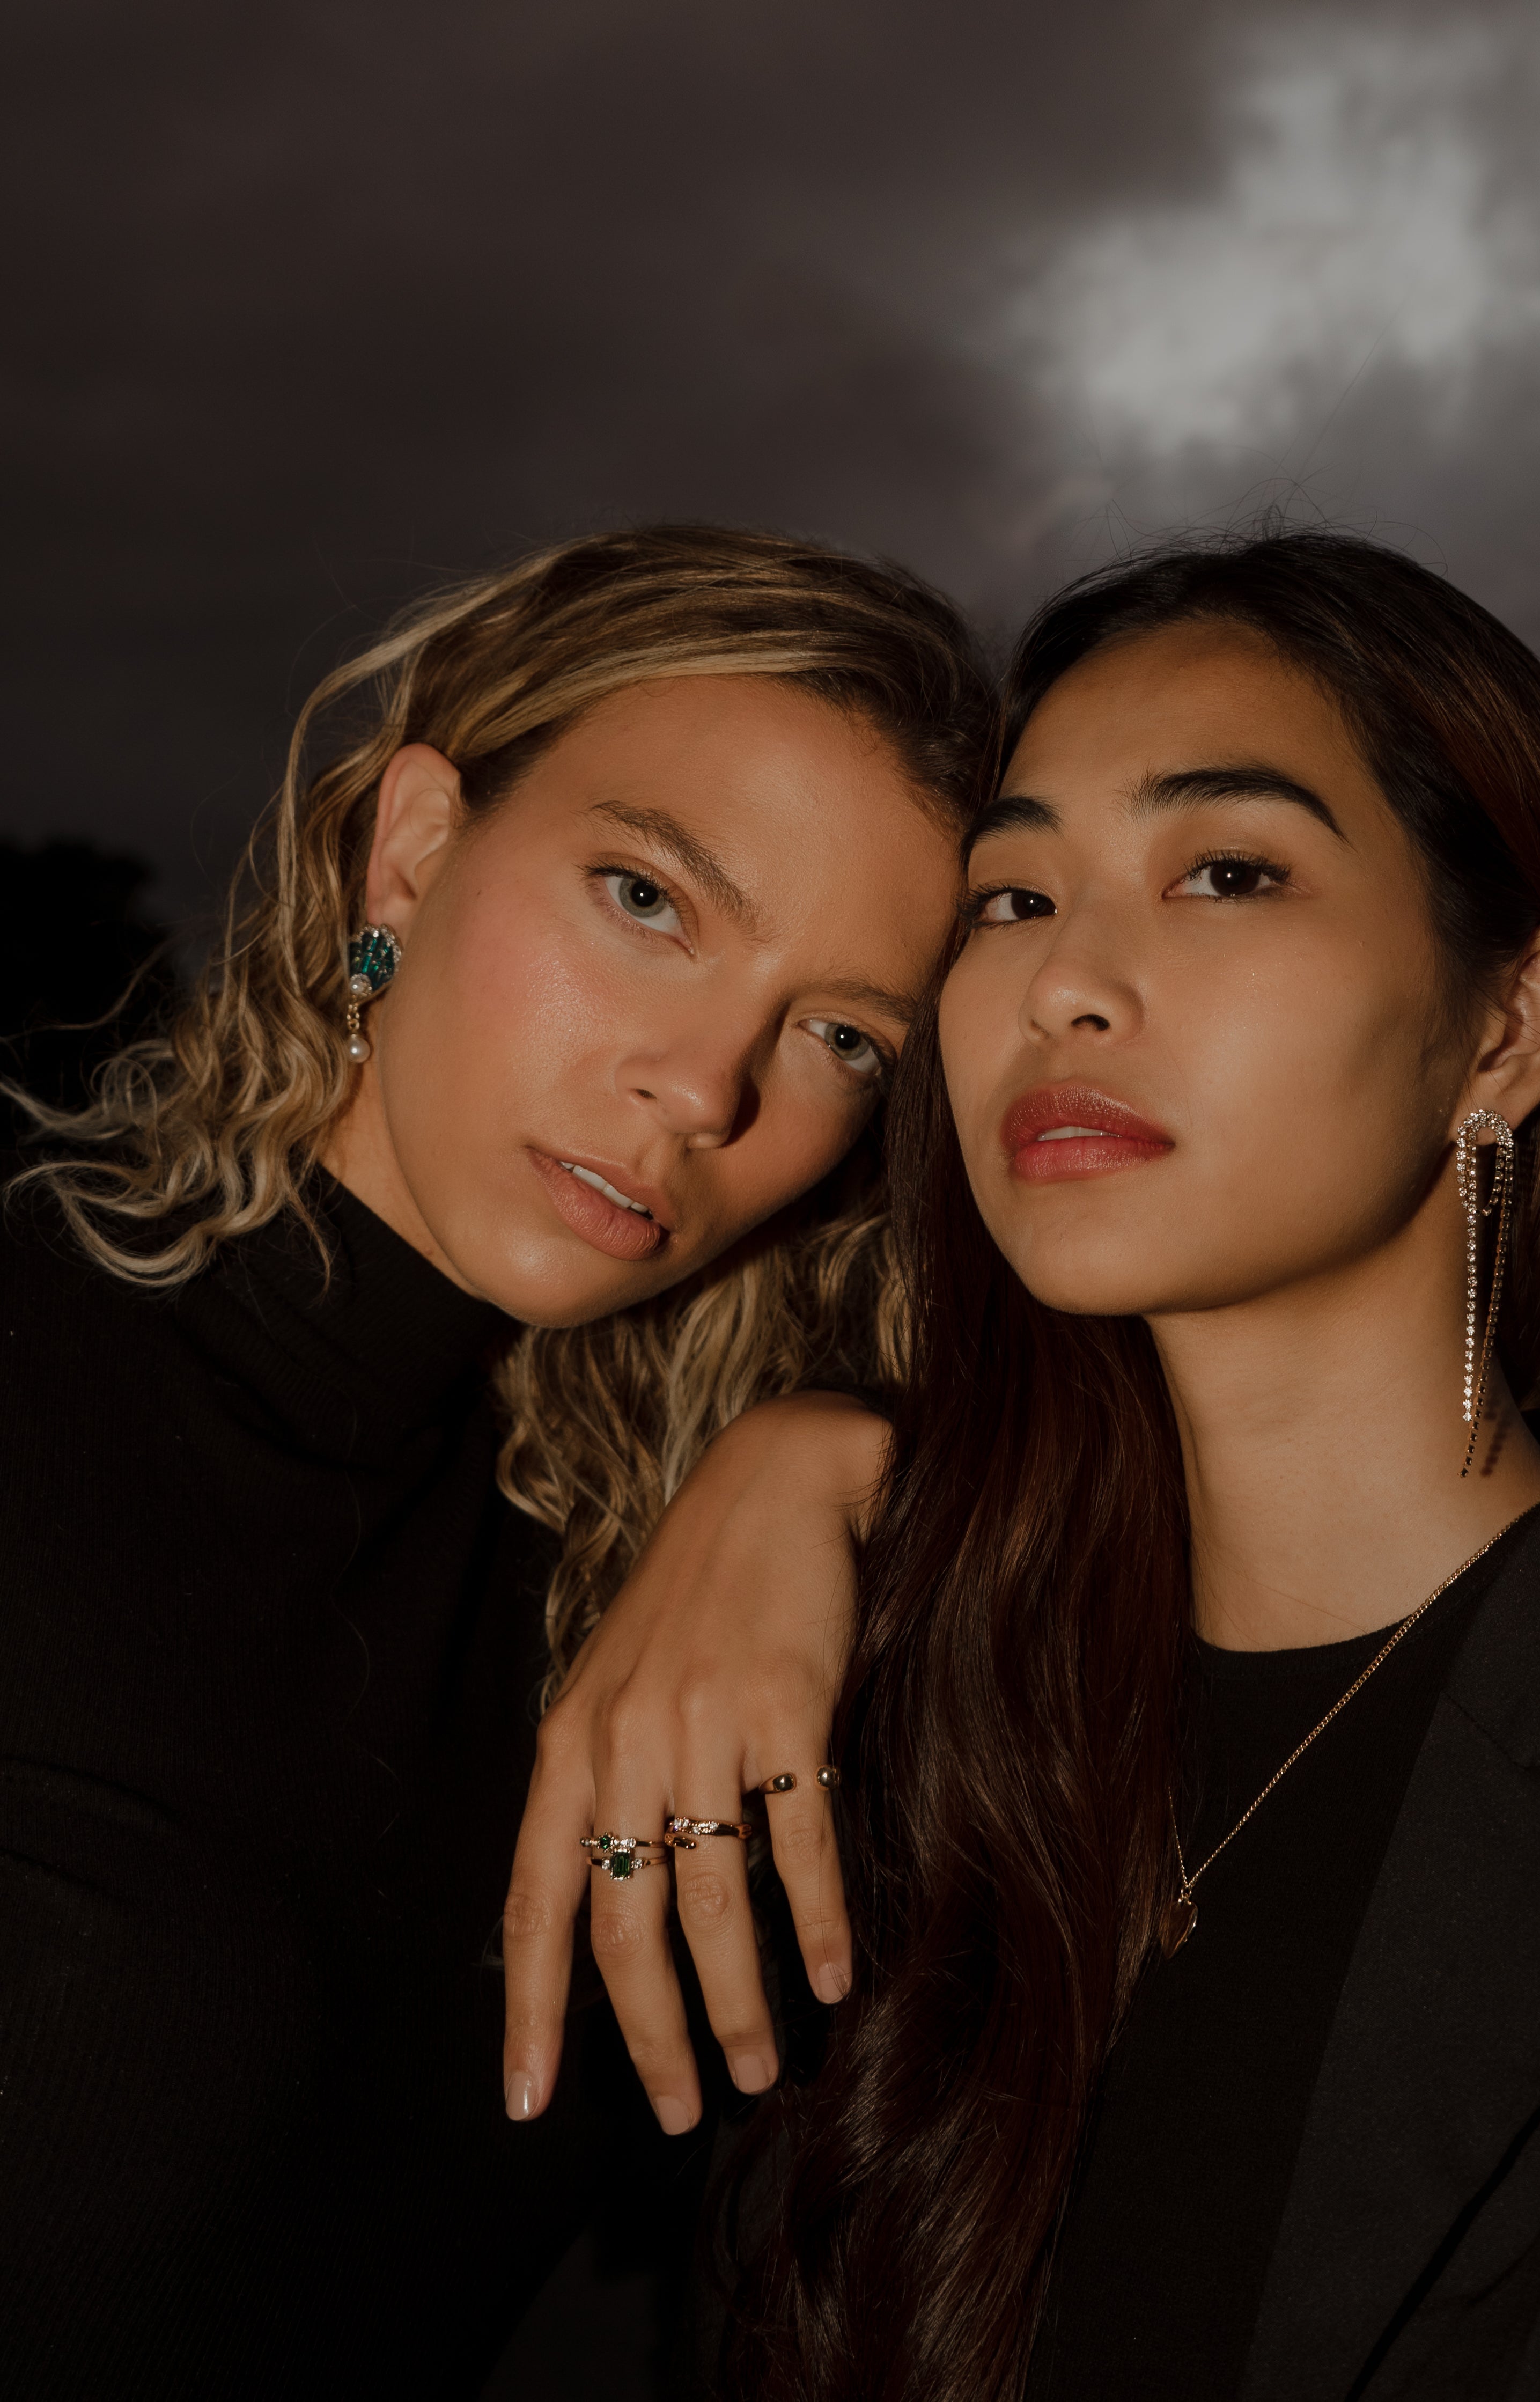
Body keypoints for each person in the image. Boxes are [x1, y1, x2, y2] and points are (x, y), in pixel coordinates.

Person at [516, 527, 1540, 2400]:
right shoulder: (880, 1707)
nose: (1065, 984)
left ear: (1509, 1026)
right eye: (1011, 898)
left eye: (1228, 871)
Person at [0, 523, 993, 2398]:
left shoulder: (629, 1591)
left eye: (841, 1037)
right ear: (412, 847)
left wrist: (835, 1455)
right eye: (648, 899)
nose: (707, 1087)